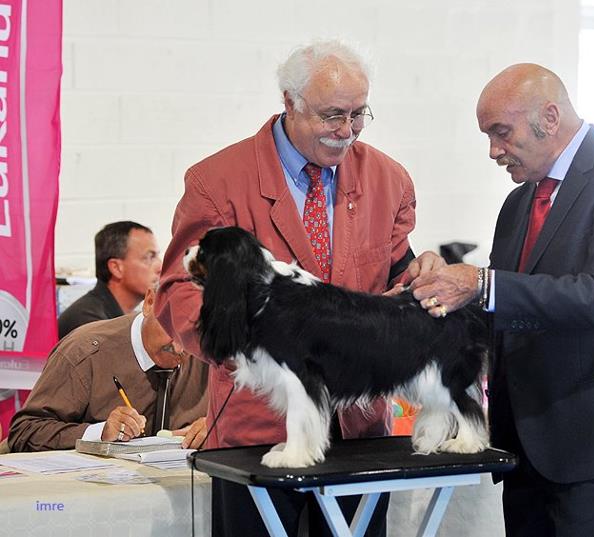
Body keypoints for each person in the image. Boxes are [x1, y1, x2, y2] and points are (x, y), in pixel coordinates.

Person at [155, 40, 443, 537]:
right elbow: (178, 290)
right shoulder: (216, 182)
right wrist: (246, 344)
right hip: (259, 428)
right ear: (290, 102)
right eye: (332, 115)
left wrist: (420, 276)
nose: (346, 130)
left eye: (358, 114)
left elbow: (397, 268)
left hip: (358, 429)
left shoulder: (389, 180)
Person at [409, 63, 594, 537]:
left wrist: (482, 283)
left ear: (550, 117)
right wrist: (437, 289)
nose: (493, 151)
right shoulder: (518, 203)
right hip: (527, 445)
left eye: (501, 132)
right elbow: (503, 308)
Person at [8, 288, 208, 452]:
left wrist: (216, 427)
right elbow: (24, 431)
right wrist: (100, 433)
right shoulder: (85, 353)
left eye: (191, 335)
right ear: (149, 302)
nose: (179, 349)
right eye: (171, 328)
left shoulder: (212, 354)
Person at [58, 221, 162, 339]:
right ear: (116, 268)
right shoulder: (90, 323)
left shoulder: (115, 316)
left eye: (157, 256)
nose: (161, 267)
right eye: (149, 257)